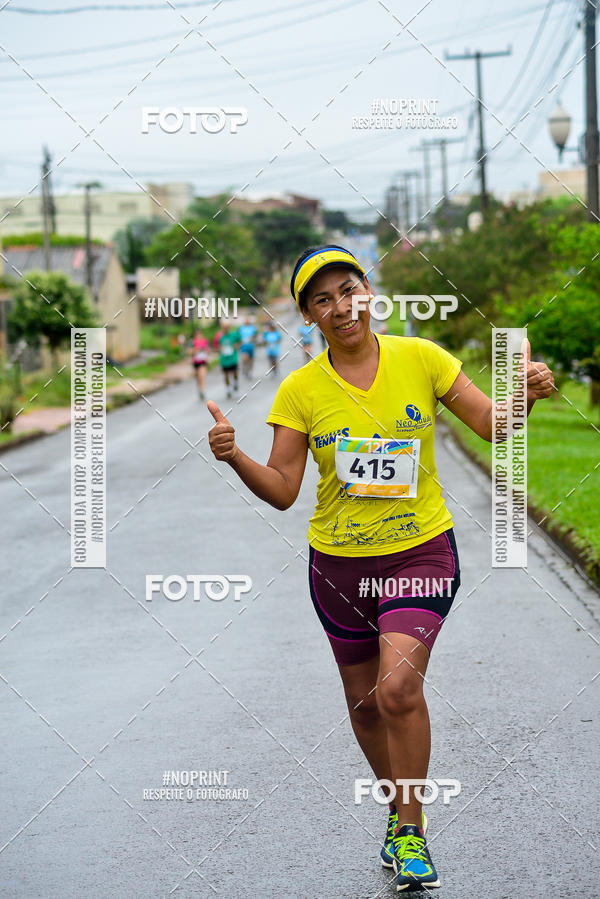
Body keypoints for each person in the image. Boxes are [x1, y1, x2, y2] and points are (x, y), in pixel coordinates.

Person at [207, 244, 555, 892]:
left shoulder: (422, 358)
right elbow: (283, 489)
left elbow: (491, 425)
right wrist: (235, 457)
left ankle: (412, 833)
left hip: (420, 551)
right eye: (323, 299)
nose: (341, 307)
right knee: (366, 706)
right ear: (308, 315)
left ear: (368, 292)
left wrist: (523, 396)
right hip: (338, 568)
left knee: (397, 689)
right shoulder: (301, 390)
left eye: (349, 290)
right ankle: (398, 812)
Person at [217, 320, 240, 398]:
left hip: (233, 358)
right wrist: (220, 349)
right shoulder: (220, 337)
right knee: (226, 375)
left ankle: (235, 382)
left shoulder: (234, 335)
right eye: (224, 327)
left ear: (229, 327)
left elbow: (240, 341)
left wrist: (237, 346)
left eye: (226, 327)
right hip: (224, 359)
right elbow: (217, 346)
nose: (225, 329)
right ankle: (228, 389)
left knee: (235, 372)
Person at [190, 329, 209, 400]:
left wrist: (205, 351)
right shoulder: (192, 342)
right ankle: (199, 389)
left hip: (202, 361)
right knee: (198, 378)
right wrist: (195, 350)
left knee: (202, 376)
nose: (198, 335)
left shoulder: (204, 341)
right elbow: (190, 352)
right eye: (197, 334)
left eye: (199, 334)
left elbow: (207, 350)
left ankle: (203, 391)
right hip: (196, 362)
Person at [238, 313, 258, 379]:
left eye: (248, 320)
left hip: (251, 345)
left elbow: (255, 335)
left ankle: (249, 372)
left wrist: (253, 338)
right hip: (244, 346)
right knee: (244, 358)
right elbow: (239, 336)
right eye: (245, 320)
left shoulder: (252, 328)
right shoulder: (241, 328)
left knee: (251, 360)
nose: (247, 321)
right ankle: (244, 368)